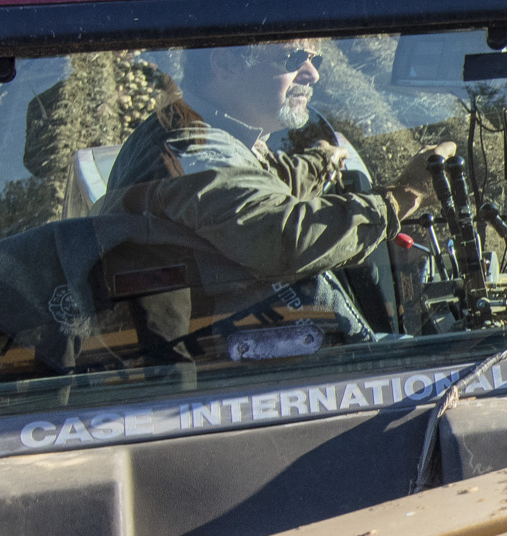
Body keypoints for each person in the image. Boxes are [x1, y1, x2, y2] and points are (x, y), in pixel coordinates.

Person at [96, 40, 428, 340]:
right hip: (218, 370)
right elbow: (284, 235)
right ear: (225, 64)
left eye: (316, 61)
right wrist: (405, 196)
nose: (312, 74)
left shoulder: (196, 128)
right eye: (294, 58)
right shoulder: (193, 149)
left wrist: (321, 162)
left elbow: (253, 187)